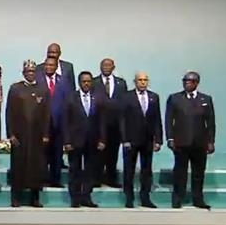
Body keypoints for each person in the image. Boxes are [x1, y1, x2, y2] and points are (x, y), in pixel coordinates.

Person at [165, 71, 215, 209]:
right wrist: (170, 138)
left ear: (196, 83)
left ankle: (198, 199)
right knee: (180, 173)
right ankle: (177, 199)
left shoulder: (206, 99)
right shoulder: (175, 98)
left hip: (200, 142)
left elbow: (210, 122)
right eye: (185, 81)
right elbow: (169, 120)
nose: (186, 83)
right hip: (181, 142)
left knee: (198, 173)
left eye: (190, 81)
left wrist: (211, 141)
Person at [6, 60, 51, 207]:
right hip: (20, 136)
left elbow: (47, 114)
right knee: (18, 166)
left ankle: (35, 198)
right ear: (23, 73)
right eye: (27, 71)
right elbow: (9, 112)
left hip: (37, 136)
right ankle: (16, 197)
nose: (30, 74)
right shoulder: (15, 89)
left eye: (32, 71)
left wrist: (46, 134)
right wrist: (11, 134)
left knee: (36, 167)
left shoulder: (43, 89)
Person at [63, 71, 106, 208]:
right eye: (84, 81)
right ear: (79, 83)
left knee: (90, 171)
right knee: (74, 170)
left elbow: (102, 121)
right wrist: (67, 141)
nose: (86, 84)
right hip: (75, 141)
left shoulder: (97, 98)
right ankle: (75, 198)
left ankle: (86, 197)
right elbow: (66, 121)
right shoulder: (71, 98)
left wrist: (102, 139)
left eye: (88, 81)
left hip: (92, 141)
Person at [120, 72, 162, 208]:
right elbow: (122, 120)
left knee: (146, 170)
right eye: (140, 80)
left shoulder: (154, 97)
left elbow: (157, 119)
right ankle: (129, 198)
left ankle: (145, 198)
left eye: (145, 80)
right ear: (135, 82)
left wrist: (158, 139)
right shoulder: (127, 97)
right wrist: (124, 139)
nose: (143, 82)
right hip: (131, 140)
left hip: (147, 140)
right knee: (129, 170)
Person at [93, 58, 127, 187]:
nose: (106, 67)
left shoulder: (121, 83)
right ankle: (97, 179)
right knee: (98, 153)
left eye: (109, 65)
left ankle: (111, 179)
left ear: (113, 67)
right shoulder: (94, 82)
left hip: (115, 124)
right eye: (104, 65)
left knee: (113, 153)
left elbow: (124, 103)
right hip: (98, 123)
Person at [36, 57, 69, 187]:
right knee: (42, 154)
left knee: (57, 153)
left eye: (52, 65)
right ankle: (42, 179)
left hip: (59, 124)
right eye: (47, 65)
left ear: (56, 67)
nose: (49, 67)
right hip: (42, 124)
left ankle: (55, 180)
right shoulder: (37, 80)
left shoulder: (64, 81)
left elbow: (68, 102)